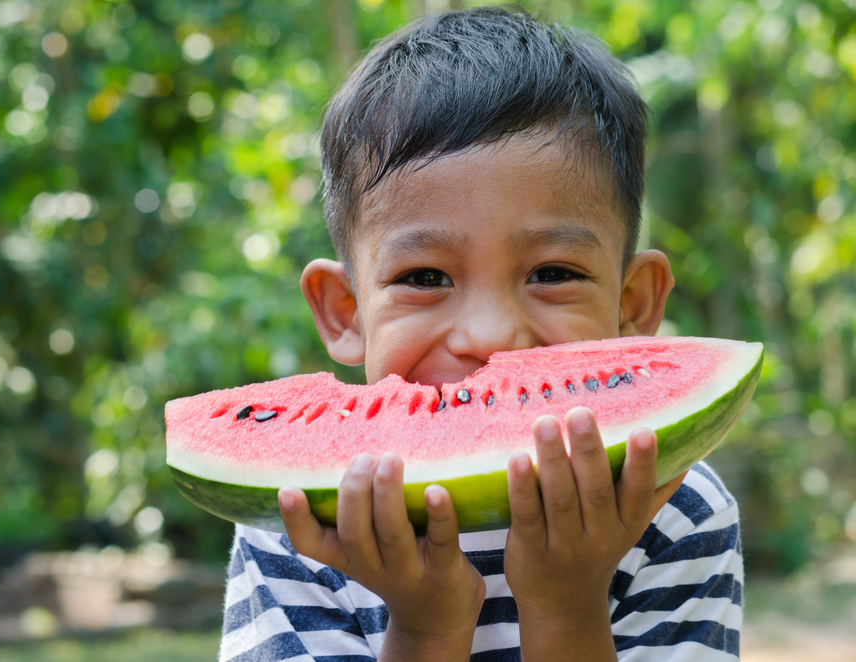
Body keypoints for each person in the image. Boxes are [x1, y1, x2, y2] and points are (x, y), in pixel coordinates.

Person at [219, 6, 742, 661]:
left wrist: (567, 605)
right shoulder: (297, 524)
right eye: (427, 277)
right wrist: (426, 628)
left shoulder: (678, 511)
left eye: (552, 272)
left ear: (633, 306)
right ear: (345, 312)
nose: (491, 337)